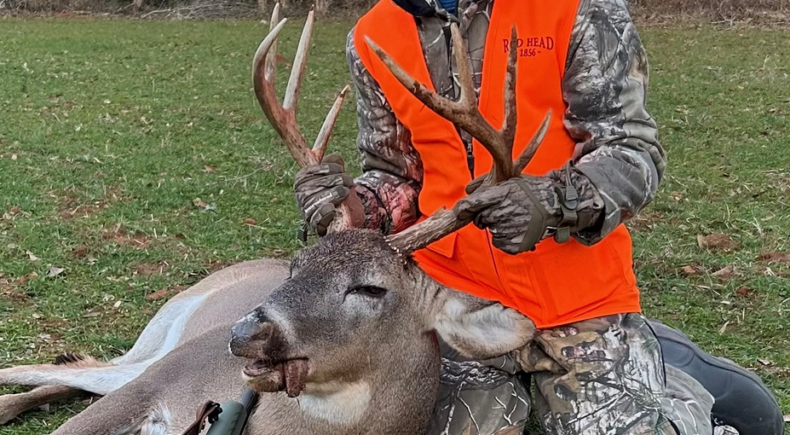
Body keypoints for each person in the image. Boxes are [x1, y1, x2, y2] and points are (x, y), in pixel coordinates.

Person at [292, 0, 785, 433]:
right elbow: (396, 172)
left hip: (579, 297)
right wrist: (357, 206)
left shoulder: (573, 6)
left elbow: (632, 151)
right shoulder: (373, 34)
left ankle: (672, 383)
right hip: (450, 303)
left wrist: (552, 201)